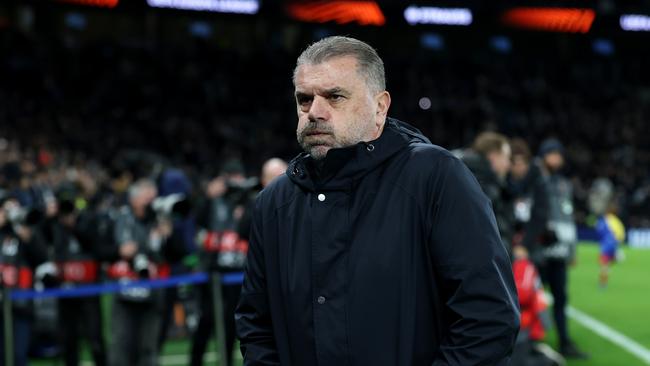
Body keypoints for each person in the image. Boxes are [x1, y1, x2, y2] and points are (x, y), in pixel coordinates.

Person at [235, 36, 519, 365]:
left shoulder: (436, 178)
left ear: (380, 107)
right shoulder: (274, 202)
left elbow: (488, 319)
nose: (314, 111)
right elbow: (256, 326)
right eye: (304, 99)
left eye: (334, 96)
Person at [107, 179, 178, 366]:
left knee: (148, 347)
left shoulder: (160, 220)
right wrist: (119, 251)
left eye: (154, 198)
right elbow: (107, 250)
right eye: (147, 198)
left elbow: (176, 253)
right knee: (121, 344)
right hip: (125, 292)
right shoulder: (121, 217)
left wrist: (168, 236)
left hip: (153, 293)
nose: (152, 203)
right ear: (134, 199)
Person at [533, 139, 588, 359]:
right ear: (542, 156)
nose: (556, 158)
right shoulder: (535, 180)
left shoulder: (564, 184)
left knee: (561, 298)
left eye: (558, 154)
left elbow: (568, 219)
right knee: (531, 298)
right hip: (539, 252)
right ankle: (528, 341)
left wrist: (571, 251)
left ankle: (564, 342)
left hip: (559, 253)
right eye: (551, 154)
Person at [458, 132, 514, 254]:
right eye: (506, 157)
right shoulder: (484, 188)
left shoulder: (470, 180)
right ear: (493, 157)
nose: (508, 165)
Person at [587, 178, 625, 288]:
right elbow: (621, 234)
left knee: (603, 264)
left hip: (607, 245)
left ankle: (603, 283)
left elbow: (598, 229)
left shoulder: (607, 220)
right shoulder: (612, 220)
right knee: (605, 264)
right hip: (611, 244)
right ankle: (615, 257)